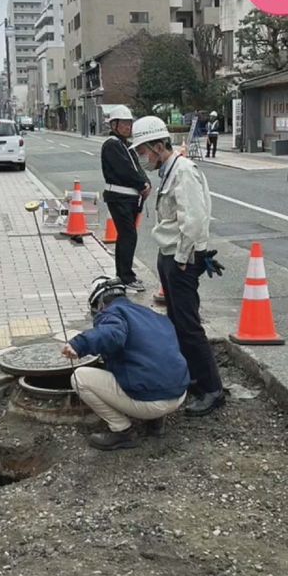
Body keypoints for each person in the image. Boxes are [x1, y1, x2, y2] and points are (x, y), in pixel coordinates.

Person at [128, 115, 227, 417]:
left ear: (159, 145)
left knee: (188, 325)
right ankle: (195, 379)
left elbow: (194, 221)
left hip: (180, 259)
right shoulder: (169, 171)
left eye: (144, 150)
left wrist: (184, 259)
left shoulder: (183, 171)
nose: (143, 157)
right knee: (178, 322)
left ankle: (212, 389)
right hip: (169, 255)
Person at [62, 276, 190, 450]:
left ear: (100, 304)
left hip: (151, 401)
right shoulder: (152, 315)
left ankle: (122, 431)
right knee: (146, 363)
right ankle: (156, 422)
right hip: (178, 393)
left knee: (79, 377)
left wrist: (80, 344)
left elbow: (113, 334)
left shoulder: (112, 313)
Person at [100, 105, 152, 292]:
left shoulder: (124, 145)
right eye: (123, 123)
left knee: (127, 236)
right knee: (128, 235)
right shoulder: (112, 145)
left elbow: (137, 167)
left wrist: (146, 183)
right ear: (114, 125)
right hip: (119, 196)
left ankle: (124, 274)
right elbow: (125, 170)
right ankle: (125, 276)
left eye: (129, 123)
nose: (127, 126)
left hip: (128, 198)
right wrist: (142, 185)